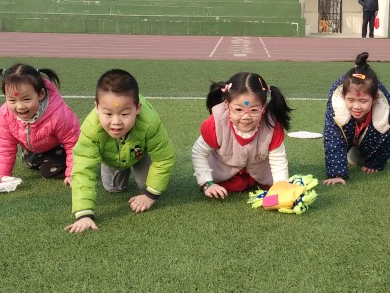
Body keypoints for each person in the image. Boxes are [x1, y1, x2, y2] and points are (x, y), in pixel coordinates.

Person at [66, 69, 174, 232]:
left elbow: (164, 158)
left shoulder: (150, 122)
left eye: (124, 114)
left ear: (137, 108)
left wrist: (150, 196)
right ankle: (112, 165)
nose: (116, 121)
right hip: (111, 158)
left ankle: (141, 172)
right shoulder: (91, 129)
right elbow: (83, 169)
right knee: (113, 188)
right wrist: (84, 214)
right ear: (97, 107)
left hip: (139, 153)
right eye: (108, 114)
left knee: (146, 185)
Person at [192, 71, 293, 199]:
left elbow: (278, 158)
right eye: (238, 109)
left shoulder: (271, 126)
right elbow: (199, 152)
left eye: (254, 110)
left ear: (263, 107)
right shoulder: (216, 124)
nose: (246, 117)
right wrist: (206, 183)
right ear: (227, 105)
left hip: (260, 172)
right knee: (234, 184)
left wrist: (281, 186)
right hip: (225, 172)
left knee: (276, 184)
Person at [0, 63, 80, 185]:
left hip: (58, 146)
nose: (20, 106)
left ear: (41, 94)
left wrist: (73, 173)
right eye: (12, 100)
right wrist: (0, 174)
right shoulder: (5, 113)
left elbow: (73, 143)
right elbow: (3, 144)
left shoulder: (58, 115)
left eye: (26, 99)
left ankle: (72, 161)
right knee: (29, 163)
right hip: (35, 146)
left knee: (48, 171)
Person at [322, 52, 390, 185]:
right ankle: (351, 146)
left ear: (374, 99)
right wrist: (337, 174)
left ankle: (360, 147)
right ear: (343, 97)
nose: (356, 107)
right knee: (346, 151)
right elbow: (333, 139)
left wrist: (375, 163)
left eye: (363, 101)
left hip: (366, 135)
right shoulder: (336, 108)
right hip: (349, 131)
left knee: (360, 158)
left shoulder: (383, 109)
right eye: (350, 100)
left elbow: (386, 139)